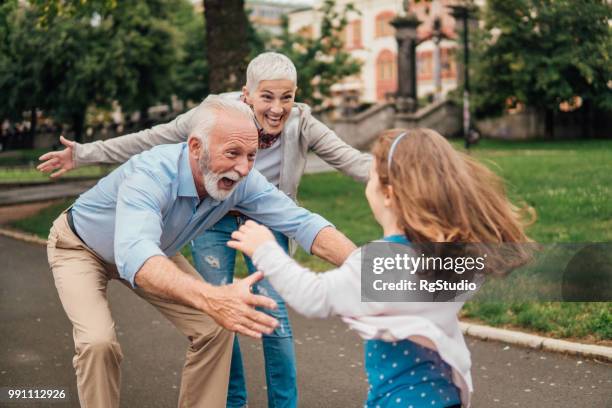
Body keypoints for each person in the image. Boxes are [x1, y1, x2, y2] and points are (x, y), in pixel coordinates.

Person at [38, 52, 371, 408]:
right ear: (196, 147)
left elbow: (304, 223)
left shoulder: (245, 178)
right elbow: (136, 254)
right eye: (232, 154)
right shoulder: (151, 174)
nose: (243, 169)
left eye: (252, 156)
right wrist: (213, 298)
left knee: (215, 329)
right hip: (81, 247)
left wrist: (368, 269)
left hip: (154, 252)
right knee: (98, 342)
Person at [228, 128, 534, 408]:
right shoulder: (451, 257)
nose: (368, 182)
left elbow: (313, 297)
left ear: (387, 193)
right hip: (446, 397)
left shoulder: (382, 264)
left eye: (371, 175)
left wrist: (266, 249)